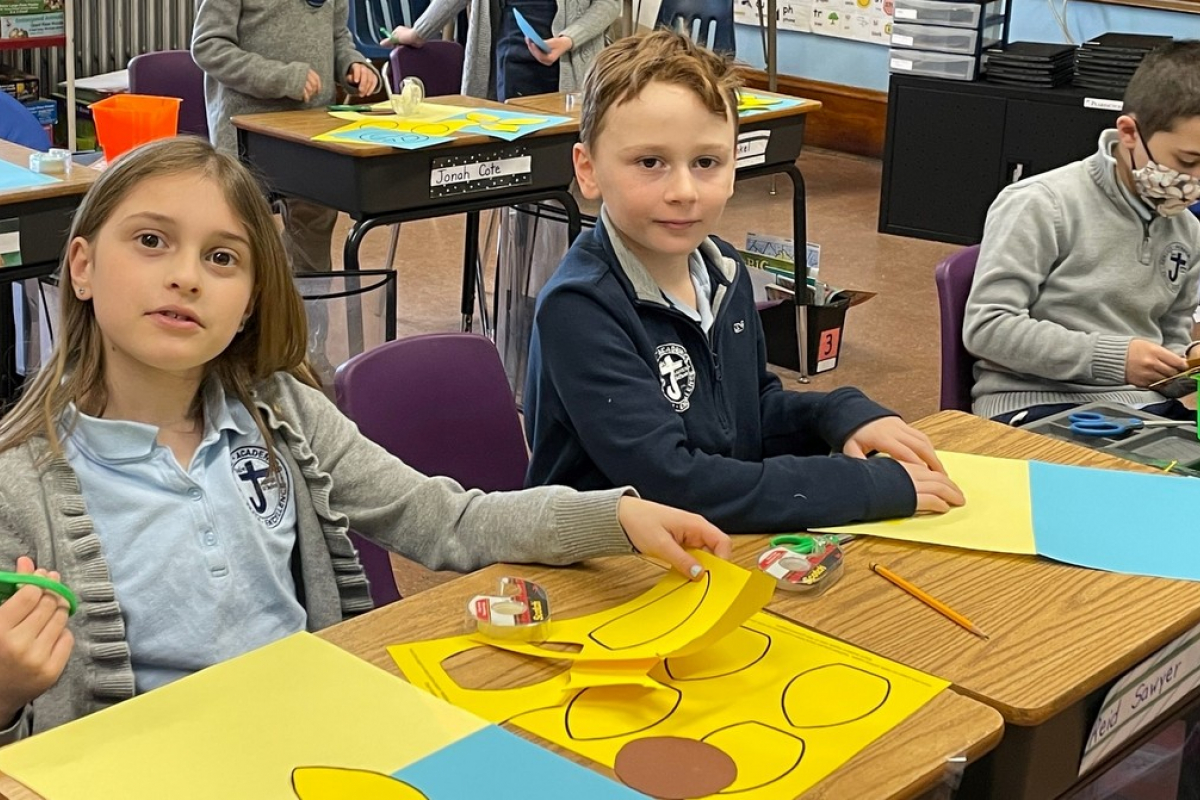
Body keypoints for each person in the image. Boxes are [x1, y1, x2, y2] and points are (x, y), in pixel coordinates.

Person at [0, 137, 730, 744]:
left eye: (222, 258)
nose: (186, 276)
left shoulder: (280, 413)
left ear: (251, 299)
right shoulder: (18, 485)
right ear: (84, 267)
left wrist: (612, 517)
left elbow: (445, 518)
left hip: (316, 735)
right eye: (152, 241)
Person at [522, 30, 964, 535]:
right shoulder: (580, 306)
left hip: (712, 547)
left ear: (735, 168)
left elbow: (751, 413)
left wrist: (841, 415)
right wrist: (860, 487)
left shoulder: (722, 273)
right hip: (606, 568)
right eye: (650, 162)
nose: (684, 191)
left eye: (706, 162)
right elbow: (672, 483)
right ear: (588, 170)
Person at [963, 41, 1200, 425]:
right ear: (1129, 133)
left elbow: (1170, 334)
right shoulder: (1043, 204)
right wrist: (1113, 358)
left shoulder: (1187, 230)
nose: (1196, 180)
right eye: (1187, 161)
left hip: (1140, 407)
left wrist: (1185, 362)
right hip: (1034, 403)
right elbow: (987, 328)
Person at [192, 0, 382, 379]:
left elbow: (338, 36)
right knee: (244, 246)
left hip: (311, 131)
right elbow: (209, 47)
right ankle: (234, 359)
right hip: (245, 131)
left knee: (312, 244)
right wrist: (281, 78)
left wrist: (352, 64)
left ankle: (306, 353)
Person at [381, 0, 616, 101]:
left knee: (562, 170)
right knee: (514, 167)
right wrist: (417, 33)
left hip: (573, 66)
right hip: (512, 59)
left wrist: (568, 40)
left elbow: (609, 4)